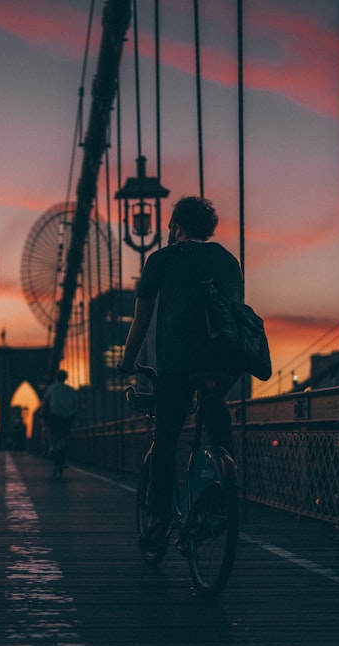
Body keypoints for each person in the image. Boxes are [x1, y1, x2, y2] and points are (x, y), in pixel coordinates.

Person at [118, 195, 242, 549]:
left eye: (172, 226)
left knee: (166, 438)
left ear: (177, 227)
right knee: (218, 431)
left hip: (177, 365)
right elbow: (235, 314)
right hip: (221, 363)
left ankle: (158, 521)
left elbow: (142, 319)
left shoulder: (161, 259)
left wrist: (127, 362)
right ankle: (221, 501)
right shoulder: (227, 260)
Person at [39, 369, 77, 475]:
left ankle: (52, 447)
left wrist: (42, 413)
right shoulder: (70, 389)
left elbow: (45, 401)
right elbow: (75, 404)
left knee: (51, 432)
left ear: (56, 377)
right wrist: (73, 416)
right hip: (67, 416)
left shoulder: (52, 388)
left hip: (55, 416)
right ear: (66, 378)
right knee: (65, 436)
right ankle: (64, 458)